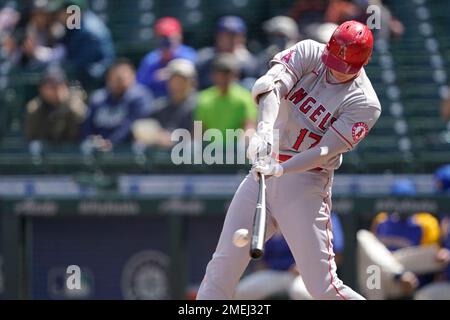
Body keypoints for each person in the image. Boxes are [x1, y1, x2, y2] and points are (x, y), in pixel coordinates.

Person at [197, 21, 381, 300]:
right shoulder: (310, 51)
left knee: (323, 288)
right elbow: (270, 87)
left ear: (364, 62)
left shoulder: (364, 102)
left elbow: (325, 151)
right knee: (221, 267)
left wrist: (282, 168)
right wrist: (264, 132)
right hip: (263, 171)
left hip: (305, 183)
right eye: (333, 60)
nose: (335, 69)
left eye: (344, 66)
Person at [235, 213, 344, 300]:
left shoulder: (322, 215)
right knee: (241, 292)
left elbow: (336, 254)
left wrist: (308, 268)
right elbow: (263, 261)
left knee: (302, 294)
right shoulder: (272, 216)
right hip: (275, 274)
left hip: (305, 276)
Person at [82, 59, 154, 152]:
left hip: (128, 149)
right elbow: (88, 126)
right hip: (100, 147)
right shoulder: (98, 98)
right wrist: (93, 139)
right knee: (86, 146)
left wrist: (111, 142)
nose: (119, 80)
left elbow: (131, 125)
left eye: (123, 76)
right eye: (115, 76)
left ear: (133, 76)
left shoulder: (140, 96)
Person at [194, 53, 257, 146]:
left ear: (235, 75)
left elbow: (249, 126)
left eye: (228, 73)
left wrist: (242, 147)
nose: (224, 77)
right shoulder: (203, 98)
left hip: (237, 153)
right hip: (210, 153)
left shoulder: (245, 97)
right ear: (213, 75)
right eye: (220, 73)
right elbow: (199, 130)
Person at [50, 0, 115, 87]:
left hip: (96, 81)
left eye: (61, 12)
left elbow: (79, 66)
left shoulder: (87, 32)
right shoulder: (79, 21)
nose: (58, 16)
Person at [138, 59, 197, 147]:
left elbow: (199, 136)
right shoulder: (159, 106)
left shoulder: (199, 105)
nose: (177, 84)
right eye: (174, 80)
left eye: (182, 80)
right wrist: (156, 135)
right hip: (161, 156)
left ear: (192, 82)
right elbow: (143, 128)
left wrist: (173, 140)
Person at [137, 17, 197, 98]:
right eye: (162, 38)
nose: (166, 43)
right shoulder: (150, 60)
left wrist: (171, 74)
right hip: (157, 105)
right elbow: (140, 85)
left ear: (179, 37)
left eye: (169, 38)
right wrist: (154, 78)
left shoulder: (189, 55)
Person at [25, 66, 86, 143]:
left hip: (72, 150)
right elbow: (31, 138)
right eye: (50, 86)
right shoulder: (35, 108)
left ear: (65, 86)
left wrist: (63, 106)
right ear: (41, 88)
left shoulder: (74, 105)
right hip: (46, 150)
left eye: (58, 85)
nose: (56, 90)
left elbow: (81, 135)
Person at [196, 16, 257, 90]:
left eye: (235, 35)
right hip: (209, 99)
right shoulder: (205, 59)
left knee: (249, 83)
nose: (232, 40)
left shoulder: (248, 63)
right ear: (218, 36)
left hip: (237, 100)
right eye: (227, 35)